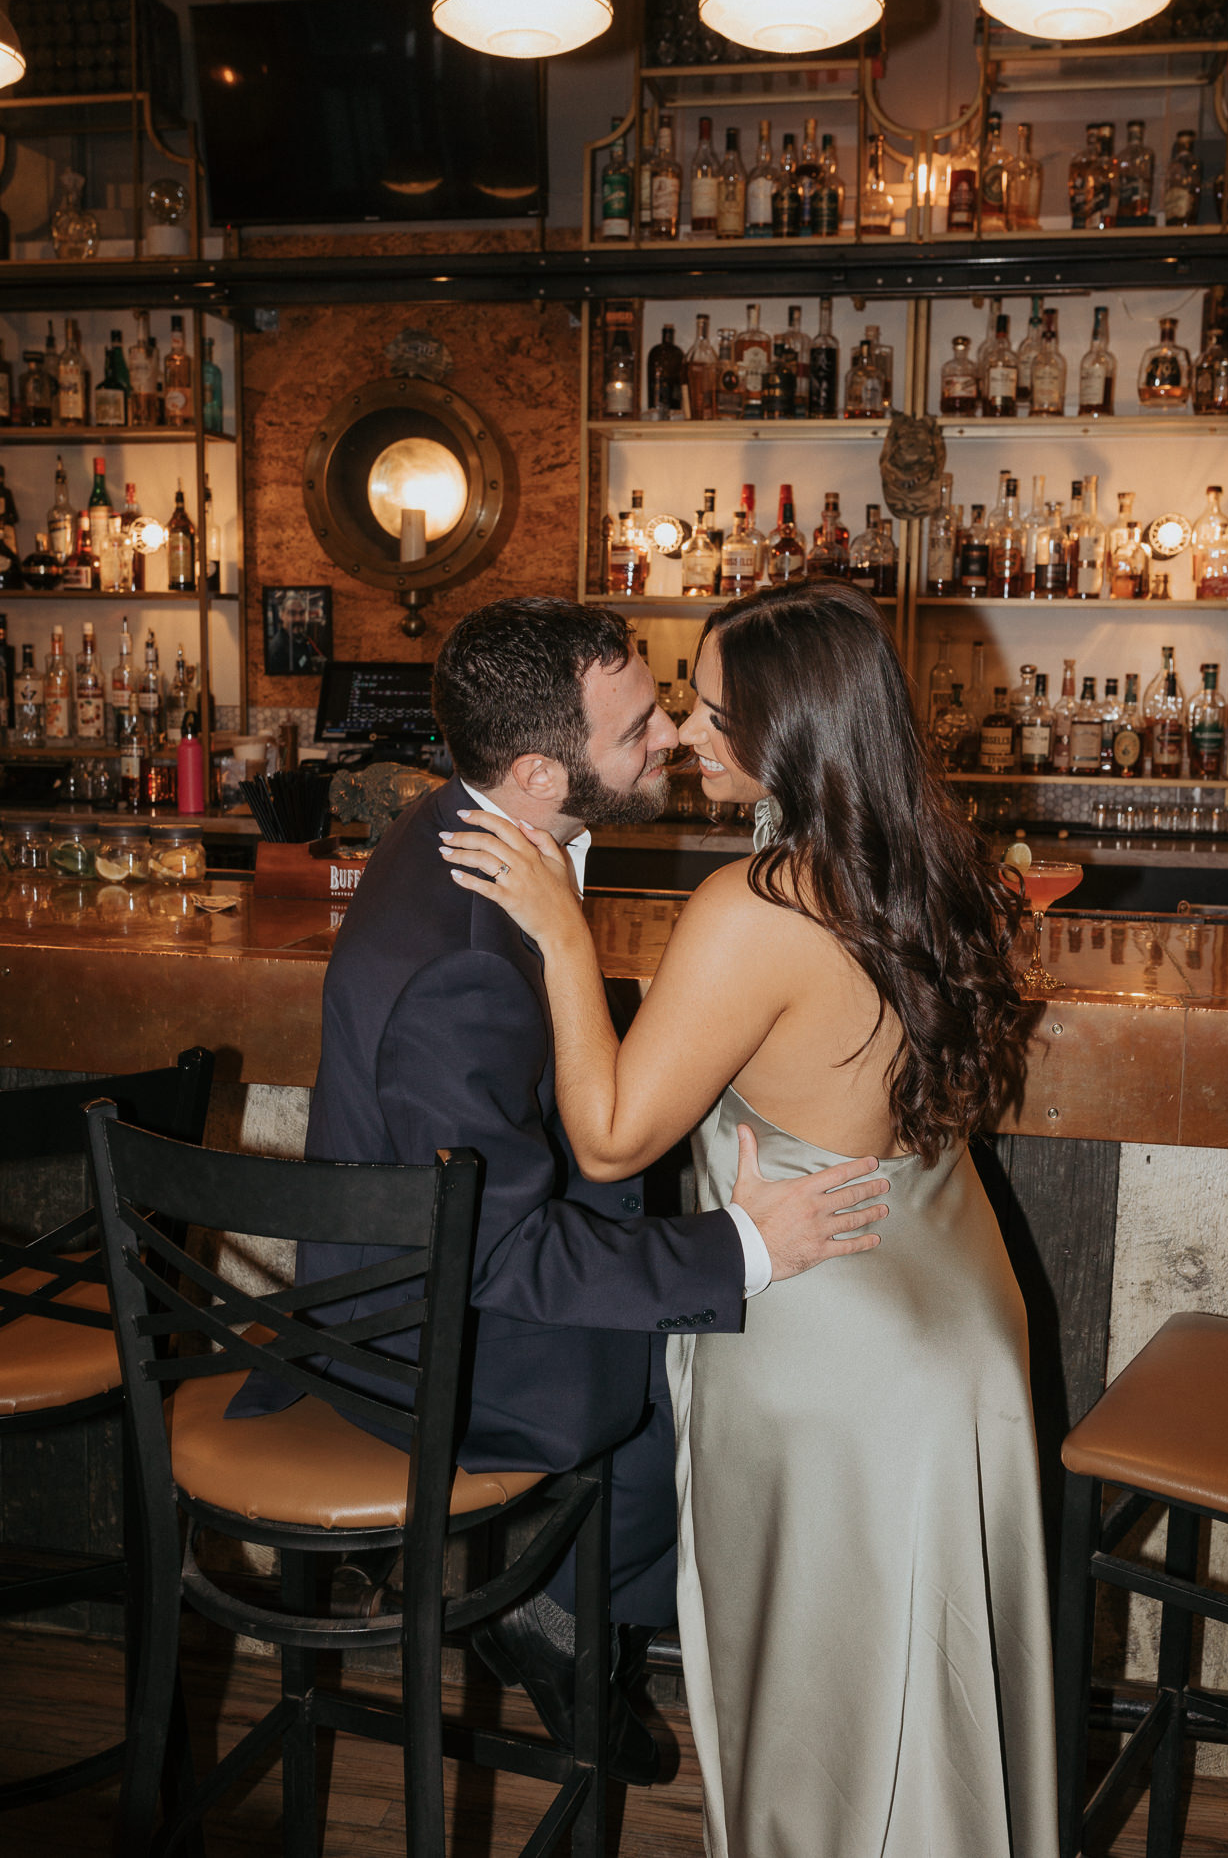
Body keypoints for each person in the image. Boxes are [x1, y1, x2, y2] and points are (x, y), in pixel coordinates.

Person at [442, 584, 1059, 1857]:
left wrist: (562, 936)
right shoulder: (926, 861)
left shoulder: (753, 902)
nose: (682, 733)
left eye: (712, 714)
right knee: (932, 1690)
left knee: (818, 1706)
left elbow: (612, 1135)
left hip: (827, 1334)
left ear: (790, 734)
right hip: (958, 1310)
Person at [230, 596, 889, 1784]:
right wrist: (743, 1247)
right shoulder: (461, 956)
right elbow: (500, 1252)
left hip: (440, 1260)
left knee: (702, 1333)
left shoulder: (469, 827)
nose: (673, 732)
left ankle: (573, 1620)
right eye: (639, 726)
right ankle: (570, 1623)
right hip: (424, 1340)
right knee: (720, 1383)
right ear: (539, 772)